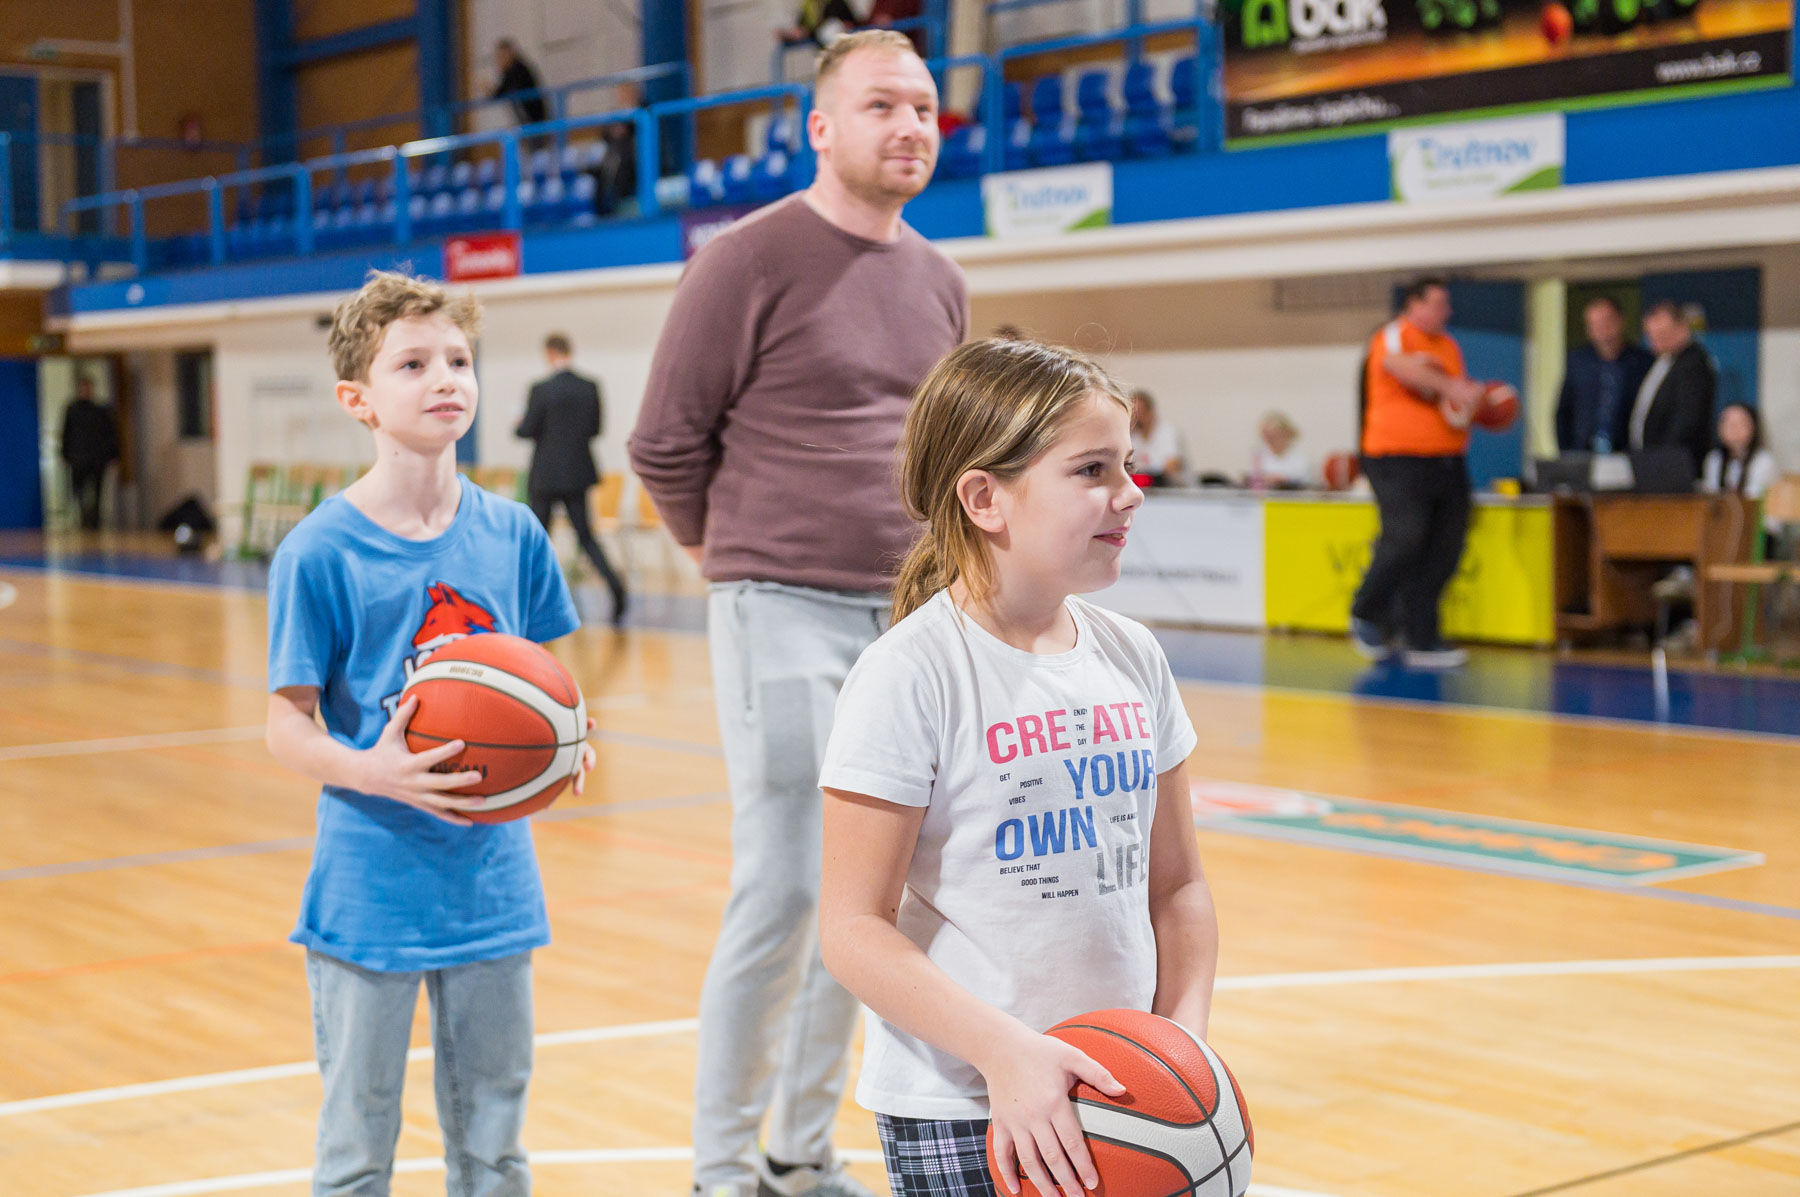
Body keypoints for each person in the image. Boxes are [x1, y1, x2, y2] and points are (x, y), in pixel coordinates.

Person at [627, 30, 967, 1197]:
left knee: (871, 902)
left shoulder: (940, 280)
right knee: (782, 889)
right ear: (820, 129)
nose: (910, 125)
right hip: (776, 606)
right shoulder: (744, 259)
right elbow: (663, 442)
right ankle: (721, 1168)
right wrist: (730, 563)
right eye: (882, 105)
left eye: (924, 107)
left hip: (911, 625)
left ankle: (800, 1151)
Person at [815, 337, 1218, 1197]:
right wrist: (1006, 1053)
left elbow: (1179, 886)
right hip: (964, 1101)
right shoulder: (908, 674)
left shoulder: (1134, 656)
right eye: (1092, 470)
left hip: (1124, 1093)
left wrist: (1183, 1044)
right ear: (985, 498)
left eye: (1128, 463)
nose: (1130, 491)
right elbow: (851, 927)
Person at [264, 270, 595, 1197]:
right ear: (358, 399)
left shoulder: (514, 532)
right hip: (370, 886)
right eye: (412, 364)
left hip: (495, 884)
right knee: (357, 1149)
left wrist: (569, 739)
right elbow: (286, 726)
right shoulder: (320, 551)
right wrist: (373, 769)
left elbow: (542, 686)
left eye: (458, 359)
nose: (445, 377)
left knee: (495, 1147)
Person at [1350, 277, 1480, 670]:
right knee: (1406, 536)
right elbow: (1400, 367)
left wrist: (1479, 404)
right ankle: (1367, 611)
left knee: (1445, 547)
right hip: (1396, 458)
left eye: (1448, 304)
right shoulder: (1394, 336)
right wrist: (1454, 387)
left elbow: (1454, 401)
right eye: (1439, 303)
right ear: (1414, 304)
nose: (1447, 311)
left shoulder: (1449, 346)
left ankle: (1422, 637)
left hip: (1447, 459)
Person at [516, 332, 629, 626]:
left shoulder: (541, 389)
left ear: (549, 353)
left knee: (538, 539)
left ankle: (528, 602)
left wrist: (519, 424)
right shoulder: (589, 387)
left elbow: (526, 430)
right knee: (586, 537)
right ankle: (616, 589)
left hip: (545, 475)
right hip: (577, 474)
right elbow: (595, 429)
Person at [1629, 300, 1717, 478]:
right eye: (1651, 335)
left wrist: (1661, 460)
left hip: (1673, 466)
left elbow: (1687, 420)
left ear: (1682, 328)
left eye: (1662, 334)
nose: (1656, 341)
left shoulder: (1693, 364)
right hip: (1650, 461)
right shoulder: (1663, 360)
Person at [1555, 296, 1653, 454]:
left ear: (1621, 321)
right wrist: (1567, 452)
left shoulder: (1643, 361)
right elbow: (1564, 410)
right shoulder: (1578, 361)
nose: (1602, 329)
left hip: (1628, 452)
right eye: (1595, 324)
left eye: (1607, 322)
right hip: (1583, 451)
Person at [60, 375, 118, 531]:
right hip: (78, 458)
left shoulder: (100, 410)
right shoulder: (72, 410)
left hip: (97, 459)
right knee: (79, 490)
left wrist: (113, 455)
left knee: (98, 492)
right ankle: (83, 518)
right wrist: (65, 455)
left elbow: (109, 434)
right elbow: (66, 434)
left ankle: (95, 521)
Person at [1128, 390, 1184, 485]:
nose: (1137, 417)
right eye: (1134, 413)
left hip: (1165, 484)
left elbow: (1172, 465)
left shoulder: (1167, 432)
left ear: (1150, 412)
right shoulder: (1132, 435)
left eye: (1140, 412)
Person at [490, 39, 548, 128]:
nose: (500, 60)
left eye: (503, 56)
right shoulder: (509, 71)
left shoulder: (519, 69)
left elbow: (507, 89)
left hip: (534, 115)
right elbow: (500, 92)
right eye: (499, 57)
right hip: (526, 117)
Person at [1248, 410, 1311, 488]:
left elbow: (1304, 480)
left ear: (1286, 434)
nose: (1269, 441)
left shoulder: (1301, 457)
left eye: (1274, 436)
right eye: (1266, 437)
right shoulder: (1258, 454)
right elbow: (1255, 479)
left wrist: (1284, 480)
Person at [779, 0, 858, 45]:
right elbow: (801, 27)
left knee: (830, 30)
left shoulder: (835, 3)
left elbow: (848, 20)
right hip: (823, 46)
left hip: (840, 42)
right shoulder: (808, 4)